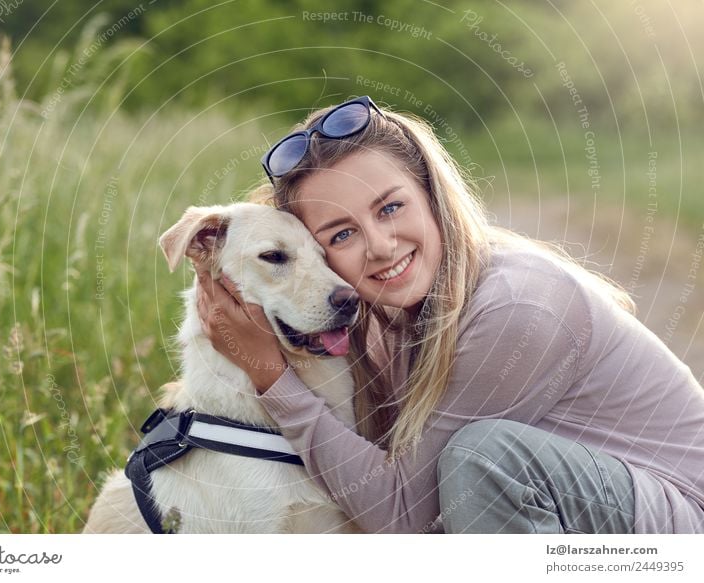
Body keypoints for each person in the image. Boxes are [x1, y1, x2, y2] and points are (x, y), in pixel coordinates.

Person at [193, 95, 704, 533]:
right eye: (341, 235)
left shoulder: (516, 307)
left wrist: (270, 376)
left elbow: (407, 518)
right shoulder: (383, 317)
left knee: (481, 460)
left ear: (432, 197)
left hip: (678, 532)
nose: (380, 245)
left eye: (390, 207)